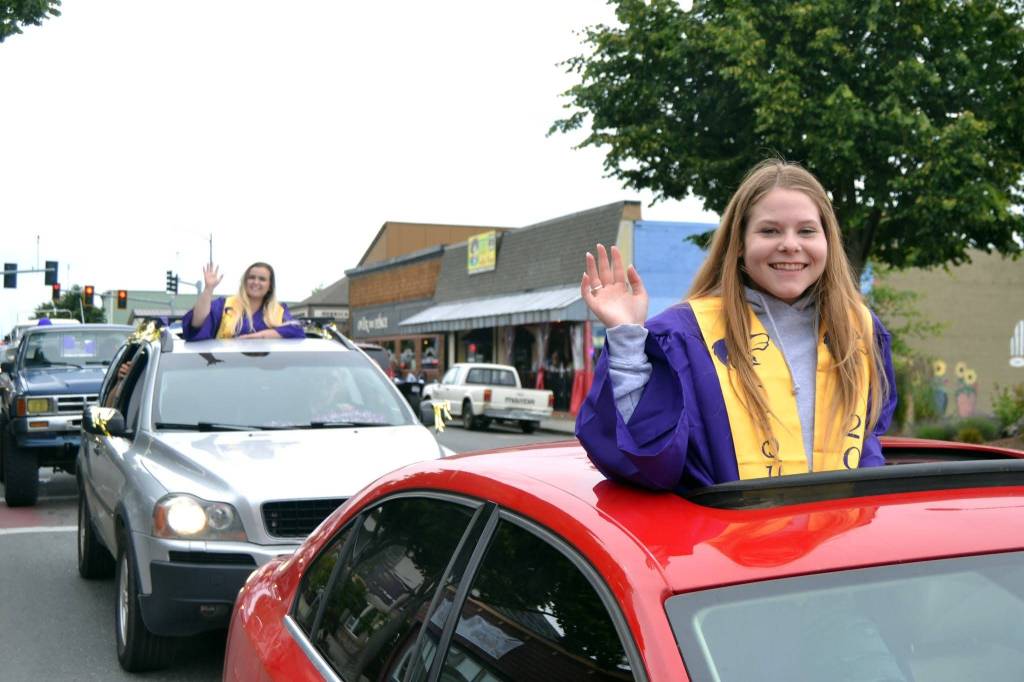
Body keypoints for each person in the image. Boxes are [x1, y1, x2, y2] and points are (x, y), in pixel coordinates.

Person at [576, 159, 897, 491]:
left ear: (827, 242)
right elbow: (646, 458)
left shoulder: (857, 330)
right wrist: (627, 337)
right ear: (740, 244)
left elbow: (867, 442)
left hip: (838, 536)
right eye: (769, 230)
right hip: (730, 538)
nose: (790, 244)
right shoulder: (687, 336)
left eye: (806, 230)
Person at [182, 262, 303, 341]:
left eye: (262, 279)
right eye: (251, 277)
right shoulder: (225, 305)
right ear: (244, 281)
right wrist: (208, 289)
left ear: (270, 285)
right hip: (227, 369)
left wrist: (257, 337)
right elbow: (197, 324)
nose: (256, 282)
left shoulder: (279, 310)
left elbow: (295, 330)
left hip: (265, 373)